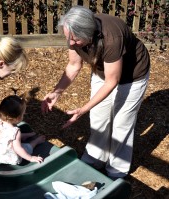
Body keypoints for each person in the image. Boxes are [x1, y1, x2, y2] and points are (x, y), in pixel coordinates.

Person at [41, 6, 150, 179]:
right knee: (99, 118)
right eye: (68, 38)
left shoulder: (111, 37)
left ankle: (117, 171)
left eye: (75, 40)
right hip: (102, 71)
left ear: (89, 34)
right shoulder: (74, 33)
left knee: (122, 122)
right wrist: (57, 92)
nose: (70, 44)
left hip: (132, 76)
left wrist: (83, 109)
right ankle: (95, 159)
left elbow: (111, 81)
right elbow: (73, 65)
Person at [0, 94, 45, 165]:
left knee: (12, 138)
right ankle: (36, 142)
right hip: (2, 157)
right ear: (18, 118)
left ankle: (25, 136)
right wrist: (30, 158)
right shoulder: (15, 131)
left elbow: (5, 136)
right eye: (23, 114)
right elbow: (18, 149)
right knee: (25, 148)